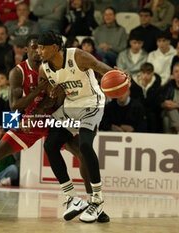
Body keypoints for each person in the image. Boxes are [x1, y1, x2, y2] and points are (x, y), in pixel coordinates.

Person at [0, 34, 110, 222]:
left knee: (82, 152)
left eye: (41, 47)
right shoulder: (18, 72)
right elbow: (14, 106)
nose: (38, 52)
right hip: (31, 120)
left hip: (52, 117)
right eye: (34, 47)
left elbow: (60, 98)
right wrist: (15, 122)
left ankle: (94, 204)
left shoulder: (53, 65)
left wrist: (52, 98)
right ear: (26, 50)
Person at [37, 31, 115, 223]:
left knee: (85, 146)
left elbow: (100, 67)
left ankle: (97, 200)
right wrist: (53, 95)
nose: (38, 51)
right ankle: (73, 197)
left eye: (42, 47)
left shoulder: (77, 55)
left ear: (54, 48)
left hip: (92, 103)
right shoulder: (43, 69)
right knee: (50, 145)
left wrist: (118, 75)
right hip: (70, 106)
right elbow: (49, 99)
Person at [130, 62, 162, 132]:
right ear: (140, 73)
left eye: (148, 74)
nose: (145, 76)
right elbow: (134, 100)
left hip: (152, 111)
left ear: (152, 74)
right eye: (143, 73)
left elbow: (156, 101)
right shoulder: (134, 84)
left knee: (153, 116)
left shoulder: (156, 84)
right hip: (138, 110)